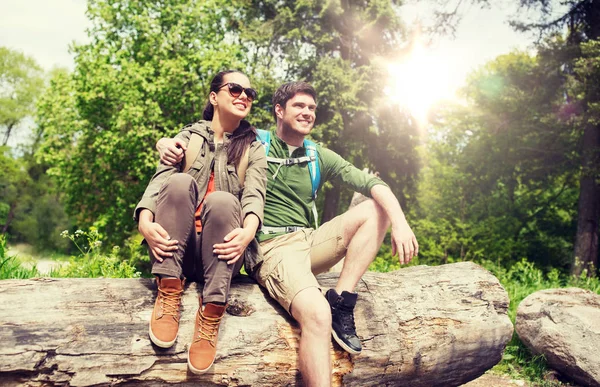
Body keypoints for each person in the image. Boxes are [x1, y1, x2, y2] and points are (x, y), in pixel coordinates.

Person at [157, 81, 418, 386]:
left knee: (376, 209)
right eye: (299, 106)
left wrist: (400, 222)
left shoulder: (317, 155)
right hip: (271, 247)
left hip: (309, 240)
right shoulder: (255, 141)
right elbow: (208, 132)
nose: (307, 113)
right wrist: (164, 141)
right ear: (279, 111)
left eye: (311, 108)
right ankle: (325, 312)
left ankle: (341, 299)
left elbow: (372, 184)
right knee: (317, 316)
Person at [134, 70, 267, 374]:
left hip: (221, 255)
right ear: (214, 96)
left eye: (250, 92)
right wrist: (144, 221)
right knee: (179, 182)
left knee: (222, 200)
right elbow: (160, 182)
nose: (244, 96)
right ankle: (168, 290)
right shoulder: (186, 138)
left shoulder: (253, 148)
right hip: (176, 249)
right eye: (235, 89)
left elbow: (255, 195)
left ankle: (211, 311)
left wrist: (248, 232)